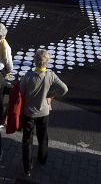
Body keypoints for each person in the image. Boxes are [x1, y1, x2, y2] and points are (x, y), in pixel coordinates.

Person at [19, 48, 69, 178]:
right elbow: (64, 89)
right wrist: (51, 95)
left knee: (27, 140)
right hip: (44, 112)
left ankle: (27, 167)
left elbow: (21, 91)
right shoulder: (50, 75)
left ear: (35, 61)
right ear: (46, 62)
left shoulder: (28, 76)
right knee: (43, 138)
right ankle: (42, 159)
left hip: (29, 113)